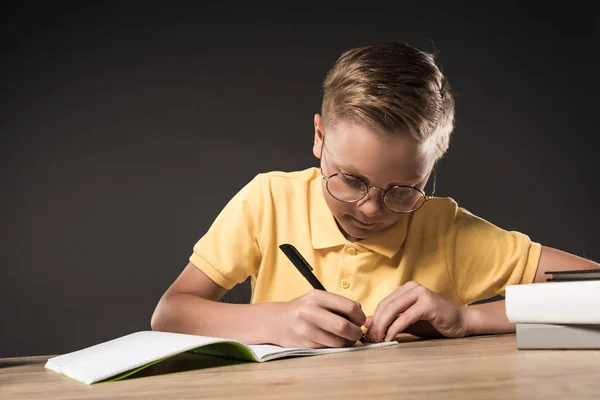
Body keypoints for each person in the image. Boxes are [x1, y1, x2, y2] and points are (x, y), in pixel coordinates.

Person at [151, 43, 597, 348]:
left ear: (433, 164)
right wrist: (274, 321)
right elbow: (170, 314)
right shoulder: (268, 201)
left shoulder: (445, 232)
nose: (369, 208)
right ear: (319, 138)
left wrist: (468, 319)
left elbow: (594, 293)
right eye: (350, 179)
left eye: (403, 191)